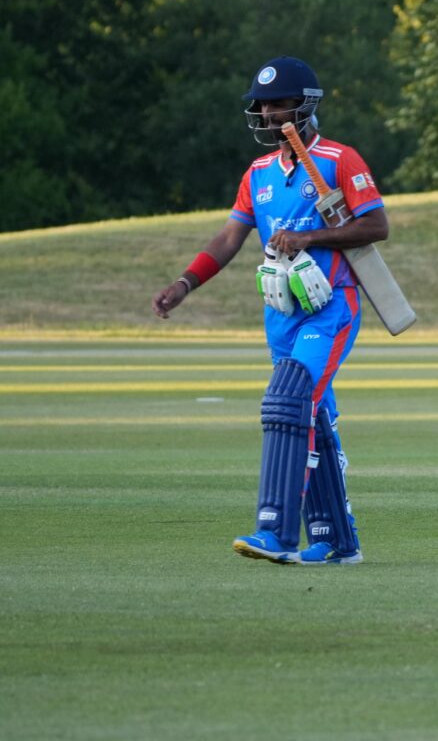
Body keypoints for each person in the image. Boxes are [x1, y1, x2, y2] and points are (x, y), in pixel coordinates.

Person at [151, 56, 387, 564]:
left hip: (331, 308)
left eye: (278, 104)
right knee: (314, 414)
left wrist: (309, 236)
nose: (267, 112)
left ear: (304, 106)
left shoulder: (338, 160)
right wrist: (185, 283)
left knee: (288, 400)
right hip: (280, 312)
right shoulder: (257, 173)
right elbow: (230, 237)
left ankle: (276, 532)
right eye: (261, 105)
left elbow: (375, 226)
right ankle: (335, 541)